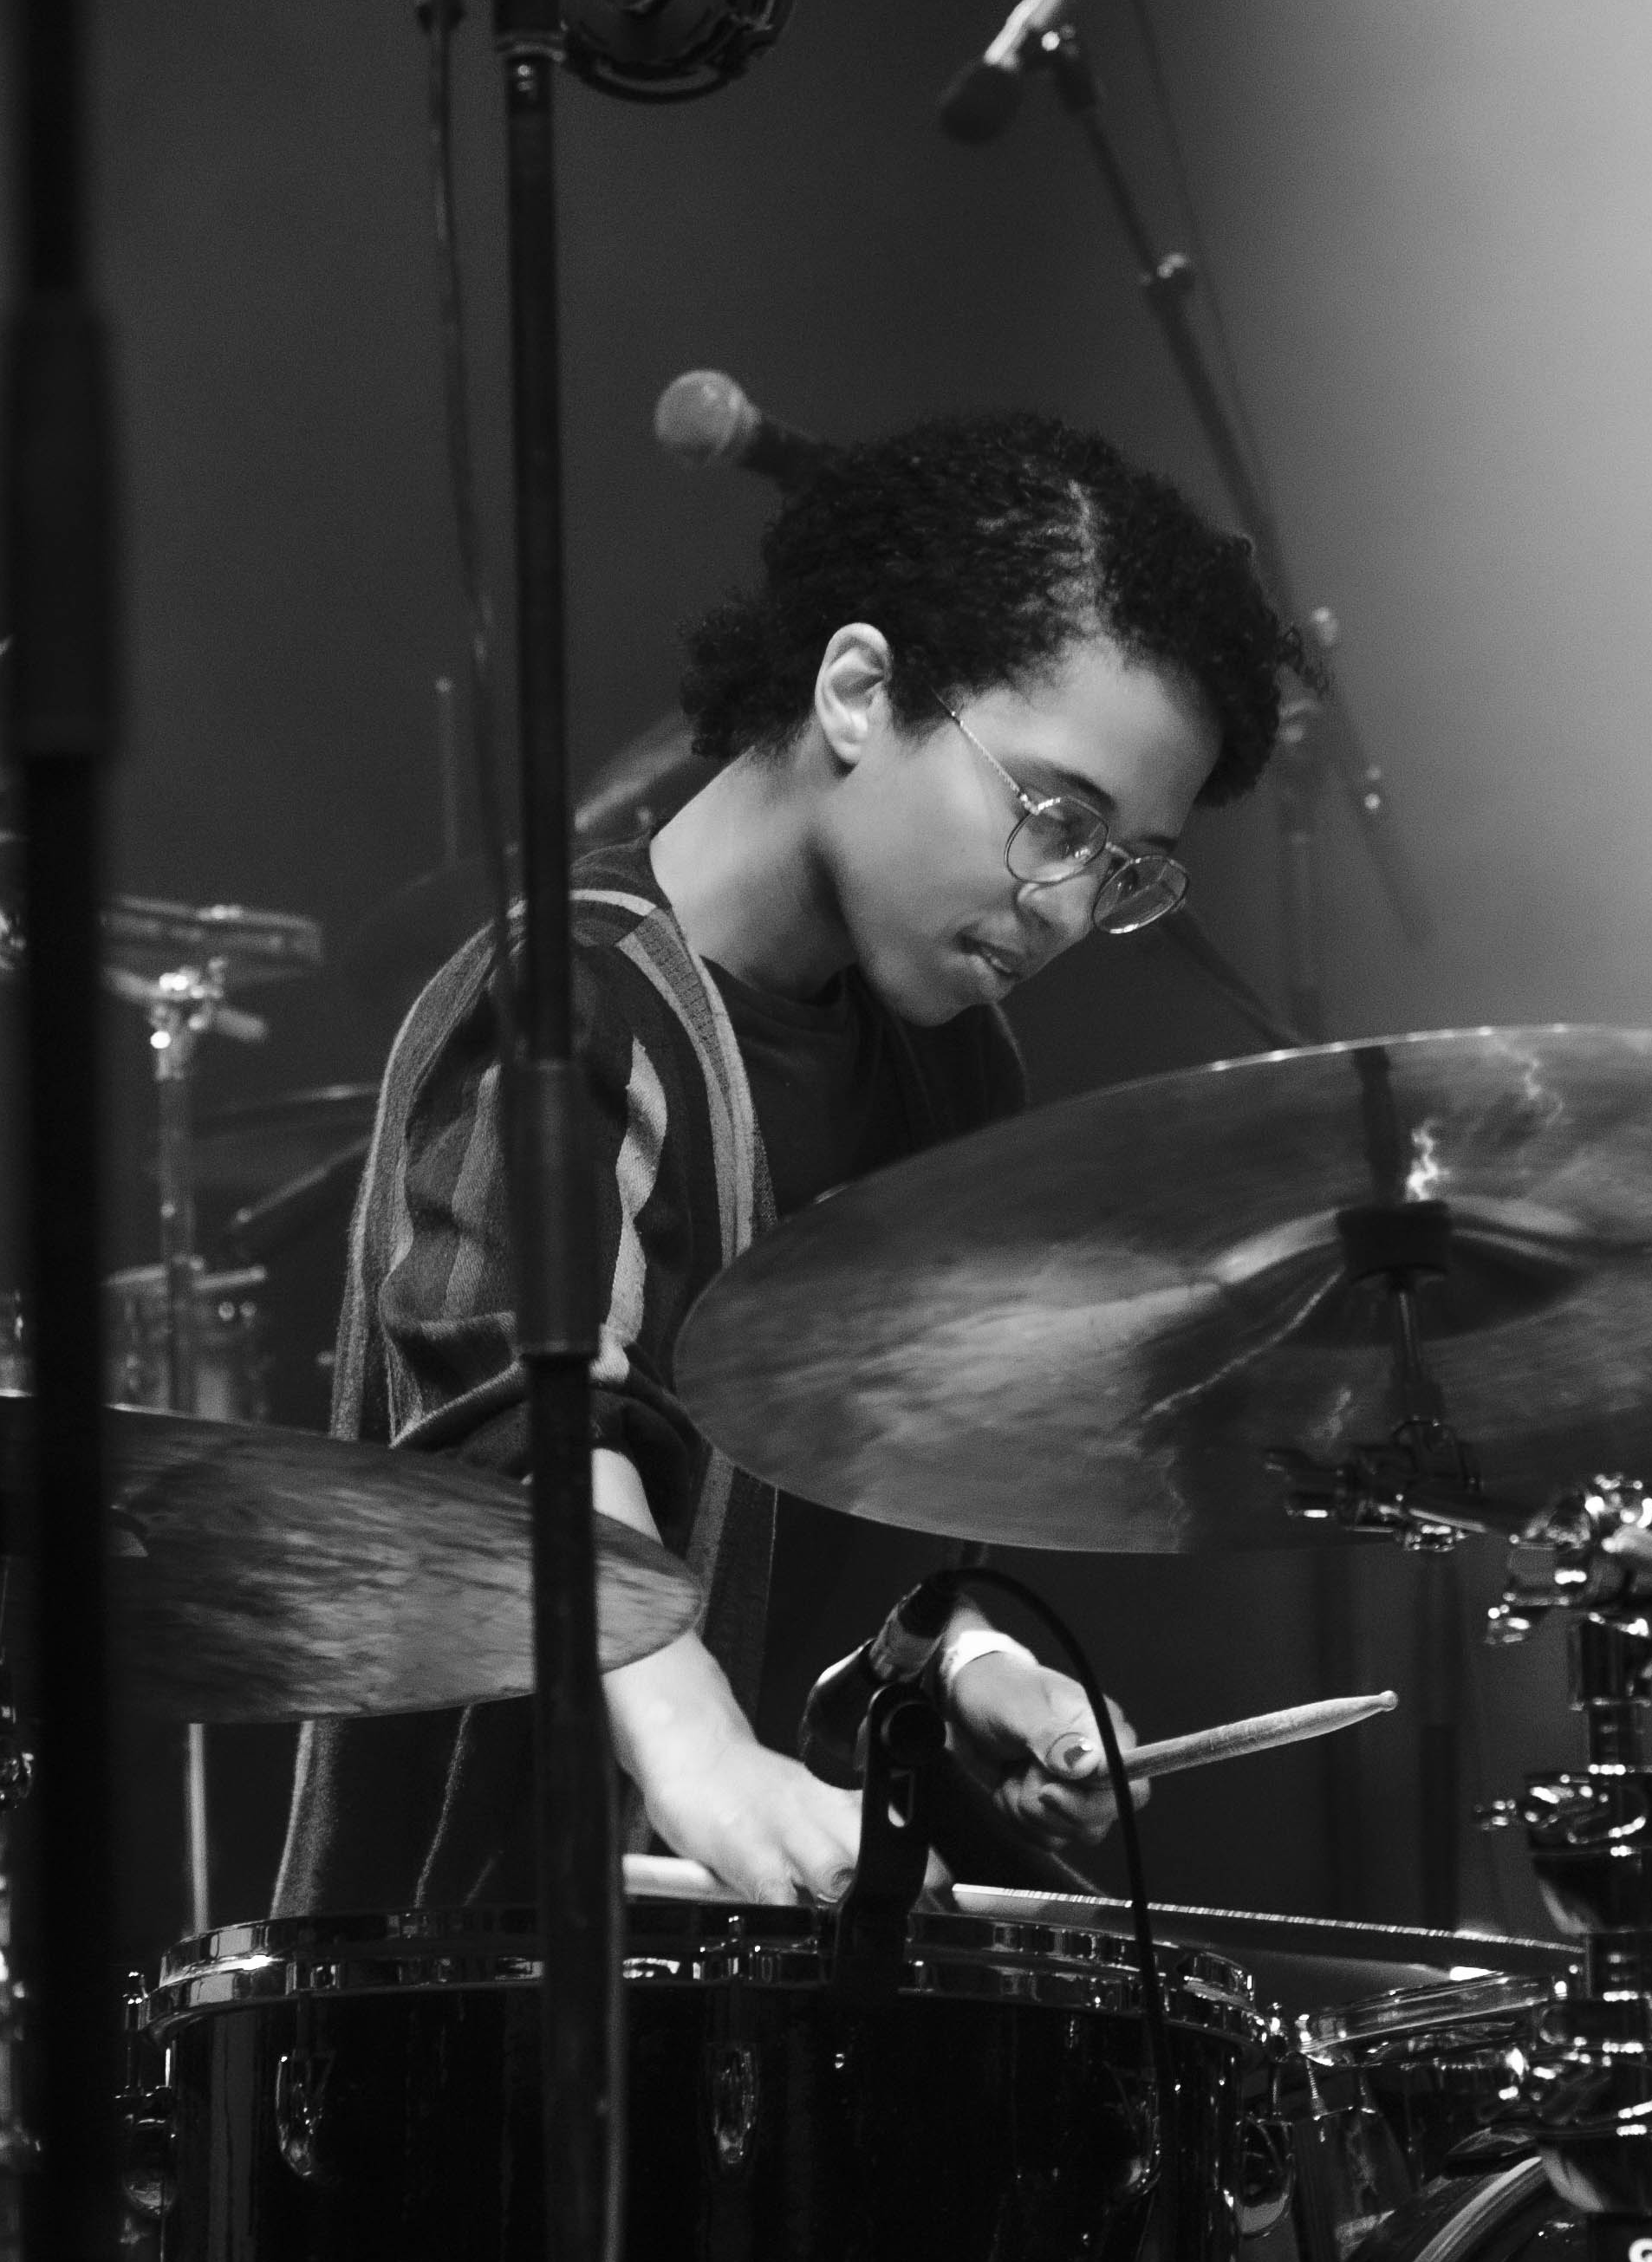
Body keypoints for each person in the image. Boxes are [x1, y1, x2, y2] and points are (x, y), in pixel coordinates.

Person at [276, 410, 1307, 1913]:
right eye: (1054, 818)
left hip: (765, 1978)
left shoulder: (950, 1067)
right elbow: (525, 1422)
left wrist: (972, 1666)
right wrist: (697, 1749)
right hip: (469, 1972)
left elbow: (868, 1508)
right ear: (858, 691)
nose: (1071, 907)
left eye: (1123, 865)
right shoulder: (563, 1001)